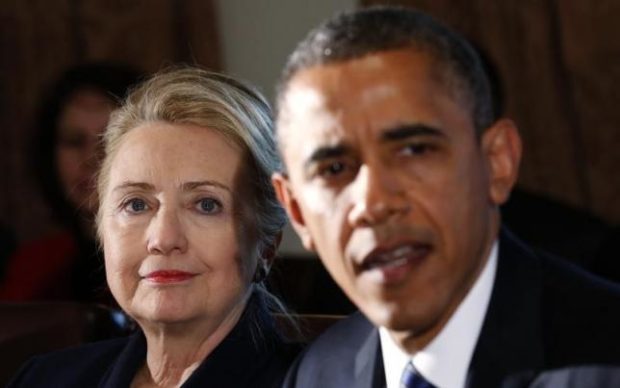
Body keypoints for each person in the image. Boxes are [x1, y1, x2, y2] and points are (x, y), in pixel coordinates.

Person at [272, 6, 620, 388]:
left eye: (414, 150)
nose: (372, 203)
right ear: (297, 211)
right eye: (334, 170)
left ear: (497, 163)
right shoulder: (316, 373)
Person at [8, 67, 299, 387]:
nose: (163, 238)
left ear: (267, 245)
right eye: (136, 204)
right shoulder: (43, 379)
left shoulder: (316, 380)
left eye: (206, 205)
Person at [0, 63, 142, 302]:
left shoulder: (172, 251)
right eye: (74, 142)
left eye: (108, 139)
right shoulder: (34, 269)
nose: (91, 158)